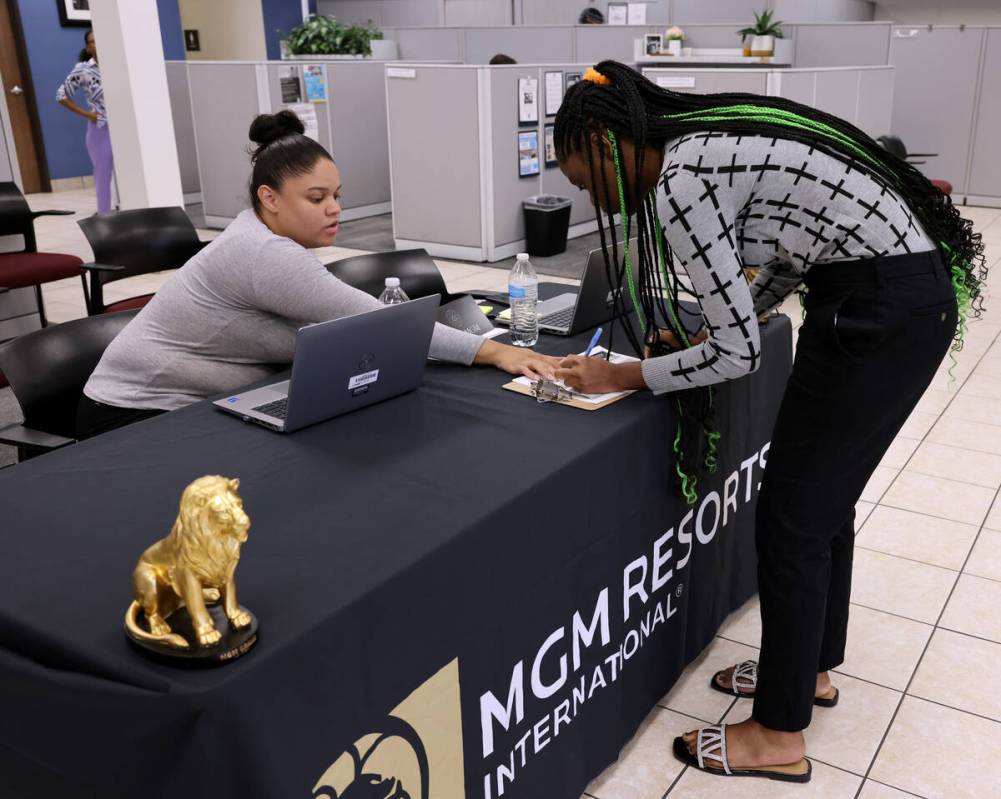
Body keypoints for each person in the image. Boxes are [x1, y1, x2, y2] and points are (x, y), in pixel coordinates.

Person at [552, 62, 985, 782]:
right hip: (892, 298)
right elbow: (785, 255)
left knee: (792, 516)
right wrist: (709, 336)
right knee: (818, 504)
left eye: (583, 181)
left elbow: (737, 356)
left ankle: (778, 734)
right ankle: (806, 669)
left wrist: (622, 373)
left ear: (604, 144)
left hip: (875, 312)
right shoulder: (704, 143)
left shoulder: (677, 184)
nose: (593, 198)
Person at [78, 111, 558, 438]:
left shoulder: (271, 242)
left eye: (337, 195)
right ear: (269, 198)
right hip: (132, 413)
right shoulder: (263, 253)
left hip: (191, 397)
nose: (334, 210)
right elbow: (379, 323)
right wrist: (495, 351)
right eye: (316, 198)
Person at [57, 30, 113, 215]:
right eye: (94, 41)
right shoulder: (83, 69)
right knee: (103, 174)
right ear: (88, 48)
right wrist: (88, 115)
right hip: (101, 128)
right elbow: (61, 96)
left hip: (127, 127)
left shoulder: (119, 64)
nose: (99, 43)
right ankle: (104, 216)